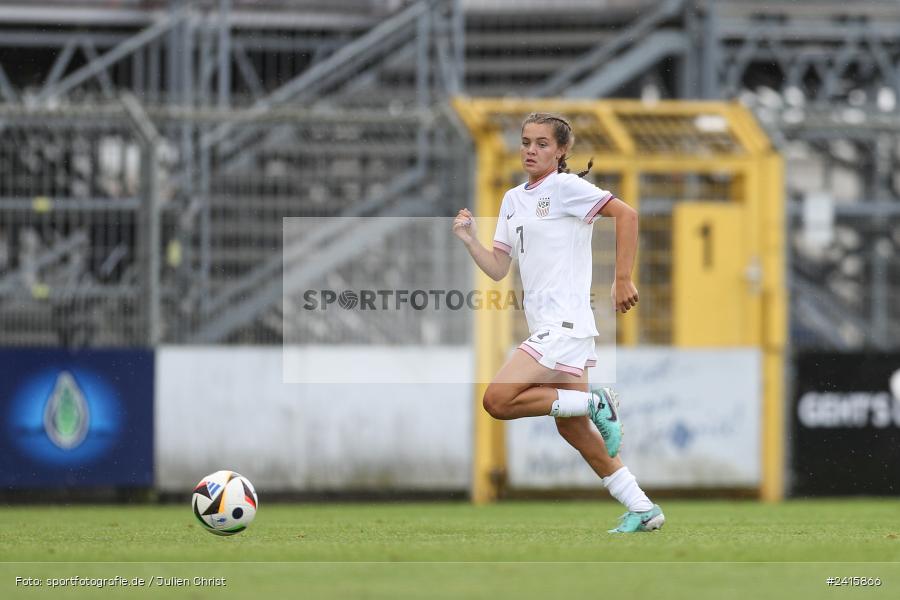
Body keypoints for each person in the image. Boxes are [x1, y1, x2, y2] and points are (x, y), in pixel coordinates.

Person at [452, 112, 664, 533]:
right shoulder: (513, 199)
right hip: (555, 327)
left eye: (542, 144)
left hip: (565, 325)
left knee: (497, 400)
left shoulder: (567, 188)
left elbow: (628, 215)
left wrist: (622, 278)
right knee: (574, 429)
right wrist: (470, 240)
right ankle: (643, 508)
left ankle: (597, 402)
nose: (531, 150)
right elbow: (498, 268)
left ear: (561, 151)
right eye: (526, 141)